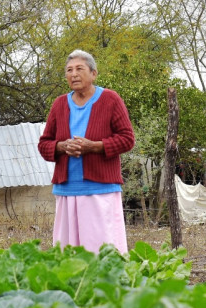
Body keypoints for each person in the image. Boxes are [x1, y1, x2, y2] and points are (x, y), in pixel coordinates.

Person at [38, 49, 135, 254]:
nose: (73, 74)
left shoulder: (110, 99)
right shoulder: (59, 104)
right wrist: (61, 147)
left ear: (93, 73)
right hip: (67, 189)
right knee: (67, 252)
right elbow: (44, 144)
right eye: (69, 70)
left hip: (100, 190)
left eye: (79, 69)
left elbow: (127, 139)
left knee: (102, 250)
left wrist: (94, 146)